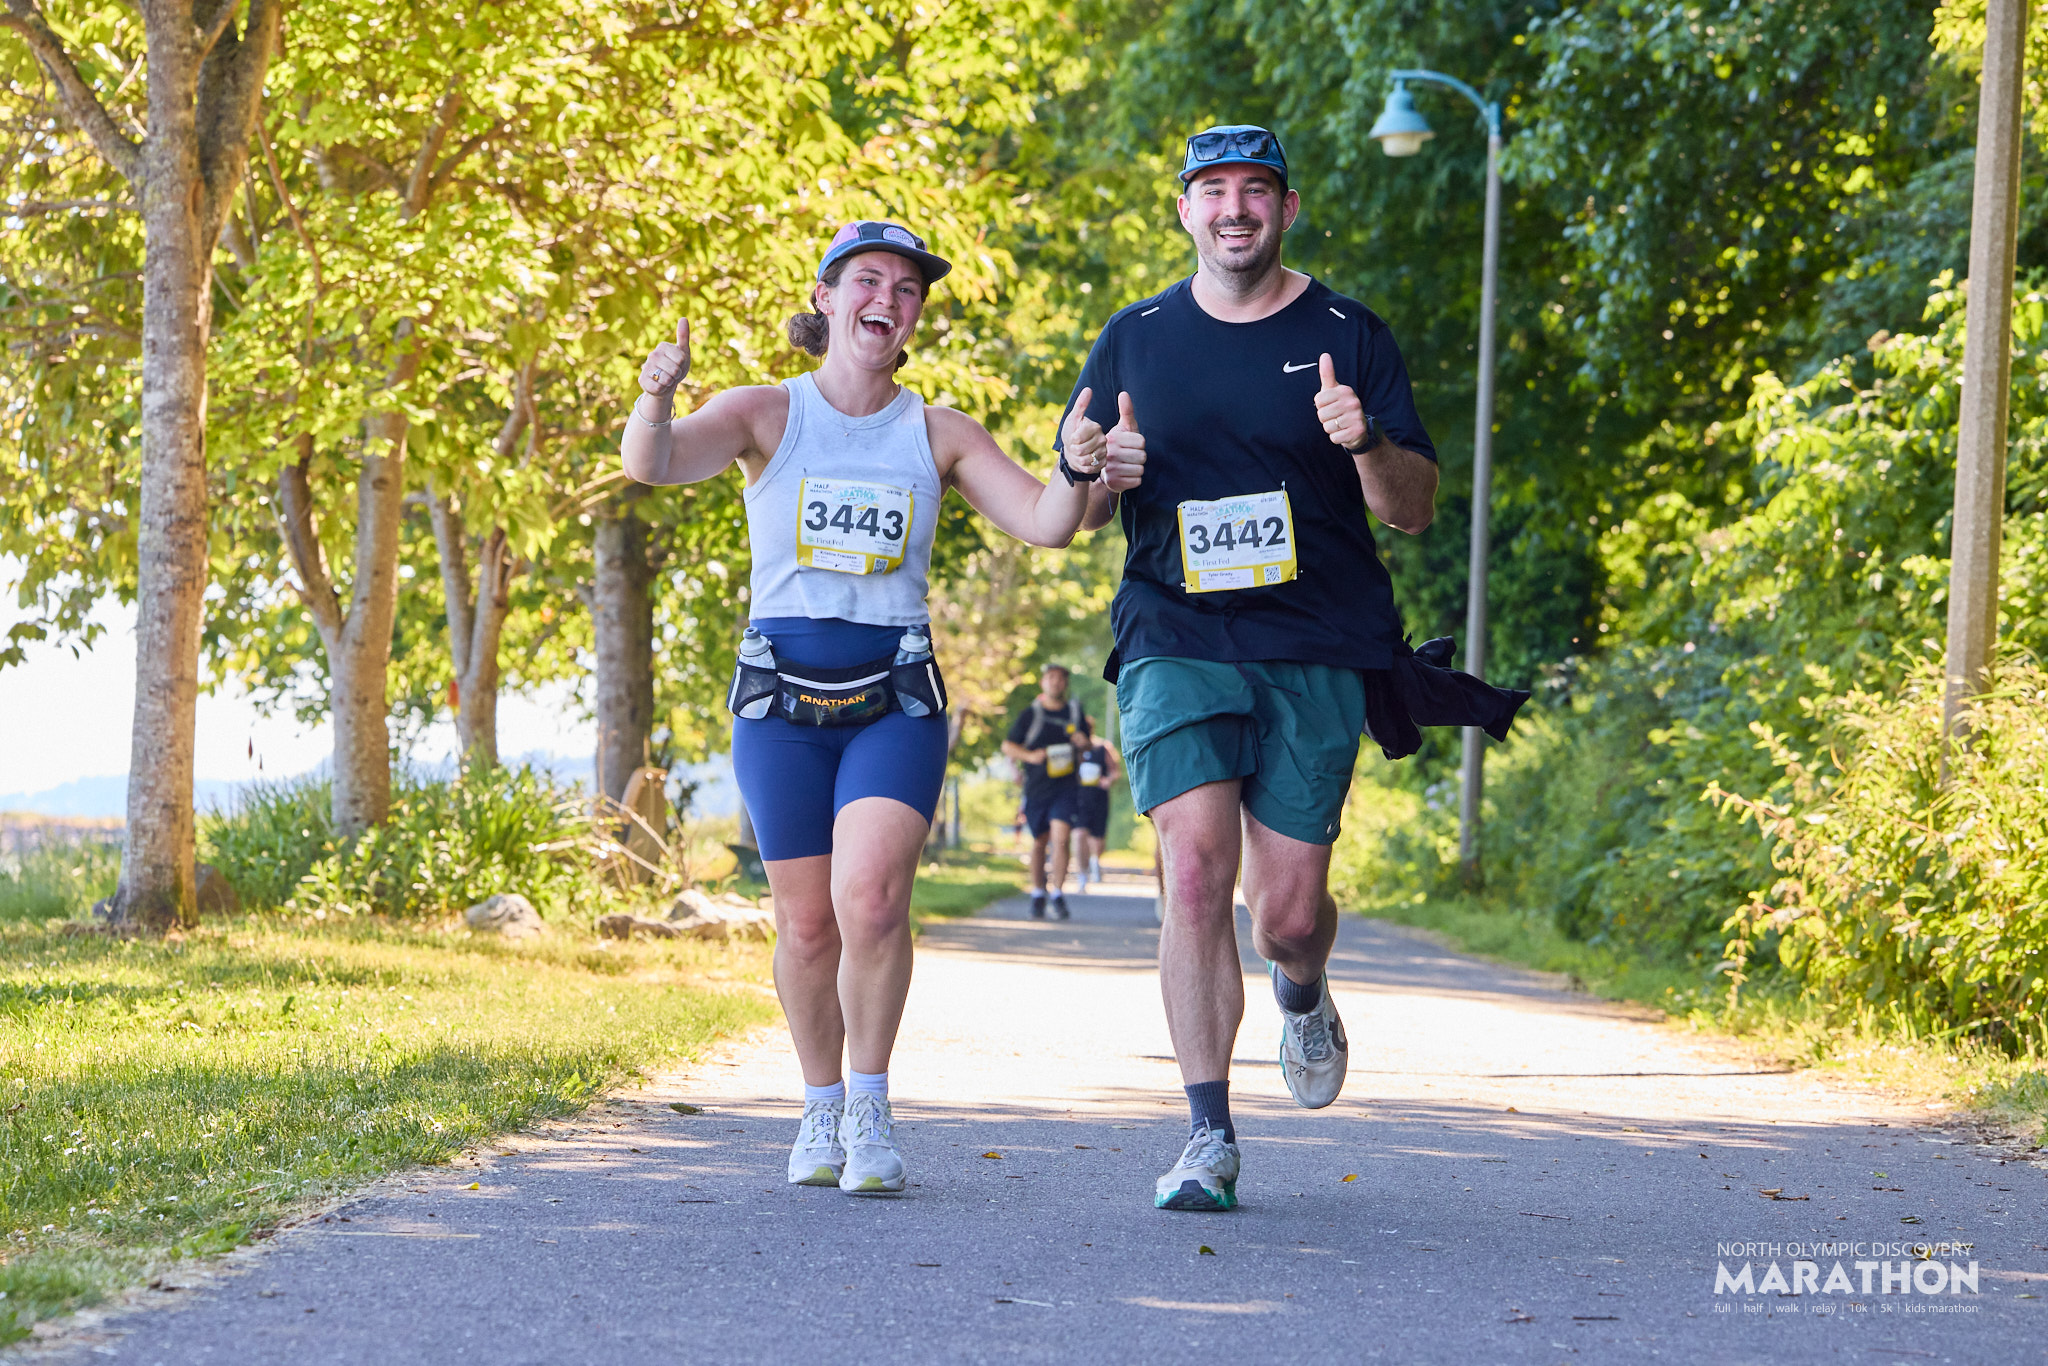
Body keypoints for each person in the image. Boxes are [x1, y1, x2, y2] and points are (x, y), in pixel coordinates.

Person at [621, 219, 1104, 1196]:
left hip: (894, 697)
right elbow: (653, 463)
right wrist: (654, 393)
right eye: (869, 281)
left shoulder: (939, 432)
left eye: (908, 288)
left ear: (914, 315)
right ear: (828, 297)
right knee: (804, 925)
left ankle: (873, 1109)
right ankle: (818, 1110)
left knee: (872, 900)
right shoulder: (764, 411)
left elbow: (1047, 522)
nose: (888, 298)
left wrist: (1080, 463)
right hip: (779, 700)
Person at [1057, 125, 1441, 1212]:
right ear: (1182, 209)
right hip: (1172, 636)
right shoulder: (1130, 339)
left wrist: (1362, 440)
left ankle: (1302, 984)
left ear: (1287, 208)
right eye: (1212, 190)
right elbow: (1076, 506)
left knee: (1281, 911)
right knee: (1188, 875)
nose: (1233, 209)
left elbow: (1409, 511)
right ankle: (1206, 1136)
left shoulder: (1346, 332)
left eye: (1254, 191)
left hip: (1313, 641)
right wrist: (1098, 470)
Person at [999, 663, 1089, 919]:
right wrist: (1030, 756)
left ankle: (1058, 894)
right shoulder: (1031, 714)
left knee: (1061, 837)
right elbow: (1008, 746)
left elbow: (1087, 745)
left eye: (1061, 679)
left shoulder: (1074, 711)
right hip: (1037, 787)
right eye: (1051, 678)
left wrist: (1085, 743)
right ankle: (1039, 892)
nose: (1056, 683)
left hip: (1066, 786)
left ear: (1066, 684)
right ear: (1043, 683)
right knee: (1039, 842)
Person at [1068, 722, 1122, 890]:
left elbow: (1115, 771)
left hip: (1099, 797)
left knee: (1097, 839)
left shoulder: (1103, 748)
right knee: (1079, 835)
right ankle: (1082, 875)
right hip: (1079, 799)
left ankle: (1095, 862)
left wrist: (1108, 780)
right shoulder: (1073, 750)